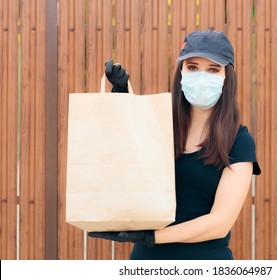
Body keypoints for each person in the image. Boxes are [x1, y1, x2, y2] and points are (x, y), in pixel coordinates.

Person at [88, 29, 261, 260]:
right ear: (181, 73)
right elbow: (123, 152)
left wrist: (152, 237)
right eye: (192, 67)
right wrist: (120, 96)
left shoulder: (238, 141)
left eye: (213, 69)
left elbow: (219, 223)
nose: (201, 76)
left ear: (227, 77)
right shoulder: (159, 127)